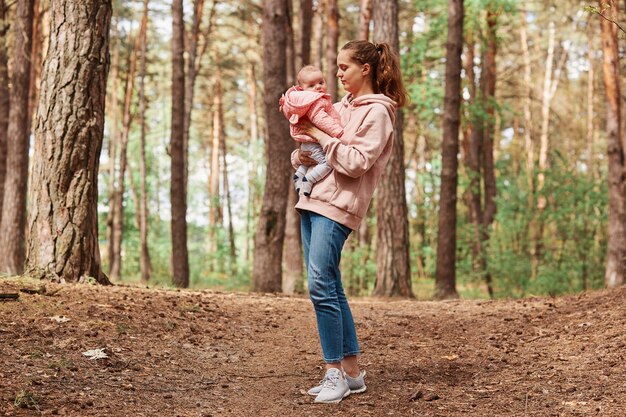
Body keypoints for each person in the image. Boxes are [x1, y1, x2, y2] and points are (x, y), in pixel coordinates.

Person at [291, 40, 408, 404]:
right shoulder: (339, 106)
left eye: (344, 68)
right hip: (312, 200)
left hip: (338, 207)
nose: (337, 75)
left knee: (320, 285)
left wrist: (319, 136)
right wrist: (302, 152)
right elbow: (314, 146)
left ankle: (333, 374)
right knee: (332, 285)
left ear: (366, 69)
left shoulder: (378, 113)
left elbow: (357, 161)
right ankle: (352, 373)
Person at [279, 65, 344, 196]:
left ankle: (299, 176)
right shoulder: (316, 101)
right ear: (302, 89)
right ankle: (309, 179)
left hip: (308, 143)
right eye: (312, 85)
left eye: (321, 82)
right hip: (315, 142)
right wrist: (337, 131)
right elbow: (320, 118)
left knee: (309, 162)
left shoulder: (305, 103)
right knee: (326, 163)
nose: (318, 87)